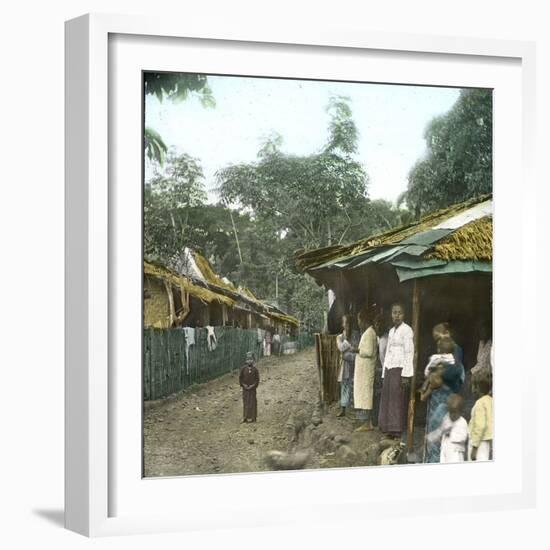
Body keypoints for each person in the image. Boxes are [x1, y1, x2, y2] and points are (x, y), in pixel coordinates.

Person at [424, 323, 465, 463]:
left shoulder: (456, 349)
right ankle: (431, 459)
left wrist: (439, 373)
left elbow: (456, 371)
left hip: (446, 395)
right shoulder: (441, 351)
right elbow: (430, 371)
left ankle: (437, 461)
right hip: (437, 395)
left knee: (442, 428)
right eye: (436, 340)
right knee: (433, 426)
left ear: (447, 332)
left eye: (438, 337)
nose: (438, 342)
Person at [378, 303, 414, 439]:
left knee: (397, 399)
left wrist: (406, 375)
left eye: (399, 313)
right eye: (394, 312)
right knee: (388, 398)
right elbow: (387, 352)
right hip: (389, 368)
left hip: (400, 369)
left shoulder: (407, 330)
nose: (396, 315)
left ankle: (396, 430)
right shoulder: (391, 331)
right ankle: (387, 427)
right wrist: (383, 372)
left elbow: (409, 352)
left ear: (404, 315)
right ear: (391, 315)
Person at [353, 311, 378, 431]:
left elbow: (368, 352)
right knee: (364, 394)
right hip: (363, 369)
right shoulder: (368, 332)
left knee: (366, 395)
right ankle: (365, 422)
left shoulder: (369, 333)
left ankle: (367, 423)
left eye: (359, 320)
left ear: (363, 320)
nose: (358, 323)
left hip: (366, 369)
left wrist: (356, 350)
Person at [426, 394, 469, 463]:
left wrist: (451, 434)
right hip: (445, 449)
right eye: (450, 412)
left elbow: (463, 437)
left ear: (461, 412)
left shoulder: (462, 422)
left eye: (455, 413)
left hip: (456, 451)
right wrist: (431, 437)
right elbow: (441, 430)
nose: (452, 415)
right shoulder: (447, 418)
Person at [336, 314, 360, 417]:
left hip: (355, 363)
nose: (346, 325)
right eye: (344, 322)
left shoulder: (356, 334)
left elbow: (358, 349)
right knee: (345, 384)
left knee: (354, 384)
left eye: (348, 322)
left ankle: (353, 409)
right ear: (342, 324)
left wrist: (350, 351)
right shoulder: (340, 337)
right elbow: (341, 348)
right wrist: (349, 344)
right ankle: (343, 408)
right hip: (345, 365)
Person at [419, 336, 457, 402]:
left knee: (431, 384)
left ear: (439, 349)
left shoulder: (436, 357)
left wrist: (426, 373)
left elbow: (430, 366)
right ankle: (424, 389)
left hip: (436, 379)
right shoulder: (452, 357)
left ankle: (423, 395)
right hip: (444, 380)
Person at [468, 370, 493, 461]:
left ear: (476, 389)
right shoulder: (490, 400)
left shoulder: (479, 403)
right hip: (488, 441)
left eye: (472, 386)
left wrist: (474, 448)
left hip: (479, 442)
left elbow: (480, 426)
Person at [239, 352, 260, 423]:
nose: (249, 361)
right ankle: (245, 417)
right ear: (245, 360)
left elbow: (257, 379)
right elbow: (240, 378)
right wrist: (243, 385)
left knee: (253, 402)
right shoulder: (243, 369)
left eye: (251, 359)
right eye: (248, 359)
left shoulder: (255, 370)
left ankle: (253, 417)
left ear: (253, 360)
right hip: (245, 389)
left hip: (252, 389)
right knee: (246, 402)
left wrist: (253, 385)